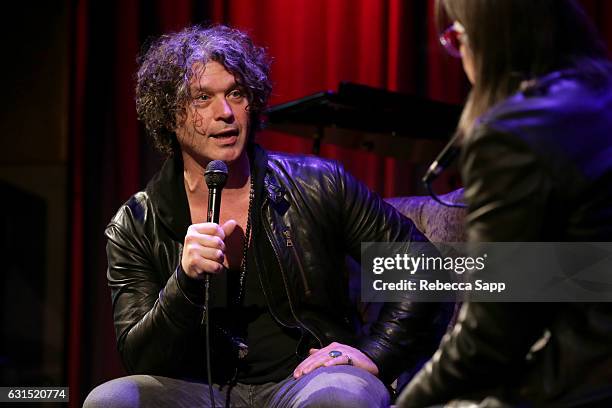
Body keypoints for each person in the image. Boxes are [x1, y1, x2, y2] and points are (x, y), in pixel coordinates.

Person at [83, 25, 450, 407]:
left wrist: (375, 352)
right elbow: (141, 357)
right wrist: (184, 283)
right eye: (202, 98)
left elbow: (423, 268)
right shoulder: (136, 224)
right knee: (110, 400)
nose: (224, 113)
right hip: (200, 390)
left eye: (236, 94)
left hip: (308, 380)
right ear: (169, 116)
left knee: (340, 398)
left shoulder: (319, 184)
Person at [397, 0, 612, 407]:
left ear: (488, 39)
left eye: (457, 37)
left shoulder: (512, 134)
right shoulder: (598, 97)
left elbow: (491, 338)